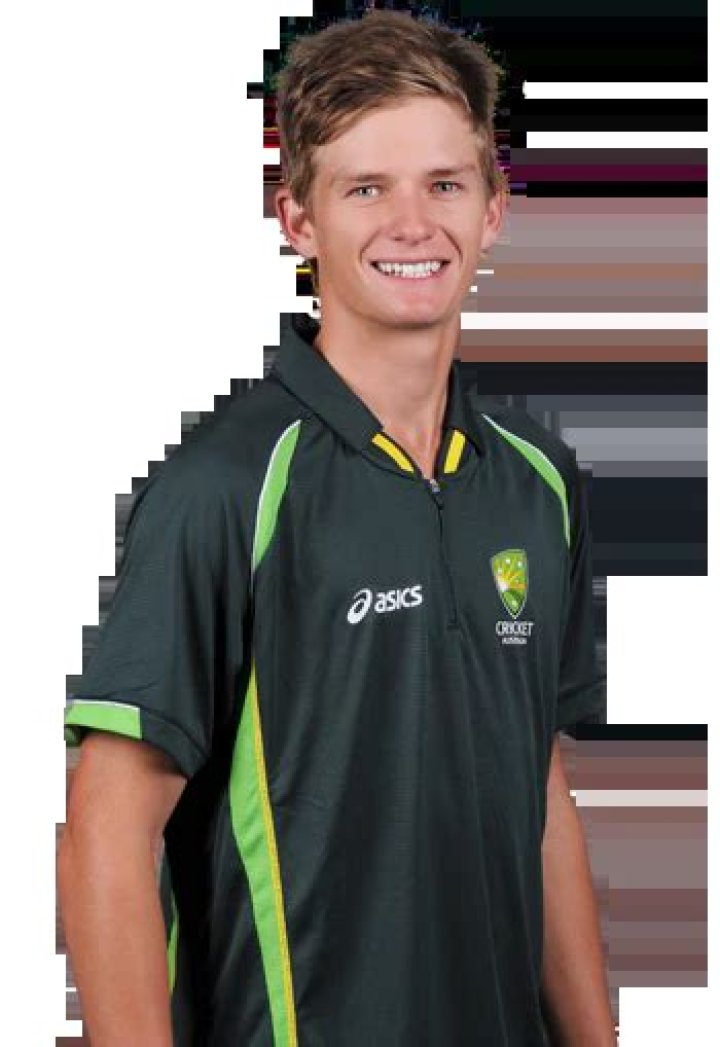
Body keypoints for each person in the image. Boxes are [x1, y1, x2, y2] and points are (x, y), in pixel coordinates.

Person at [59, 11, 616, 1046]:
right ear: (298, 219)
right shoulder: (226, 487)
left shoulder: (537, 486)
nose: (412, 223)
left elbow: (537, 793)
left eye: (444, 184)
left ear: (494, 208)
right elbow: (108, 827)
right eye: (366, 189)